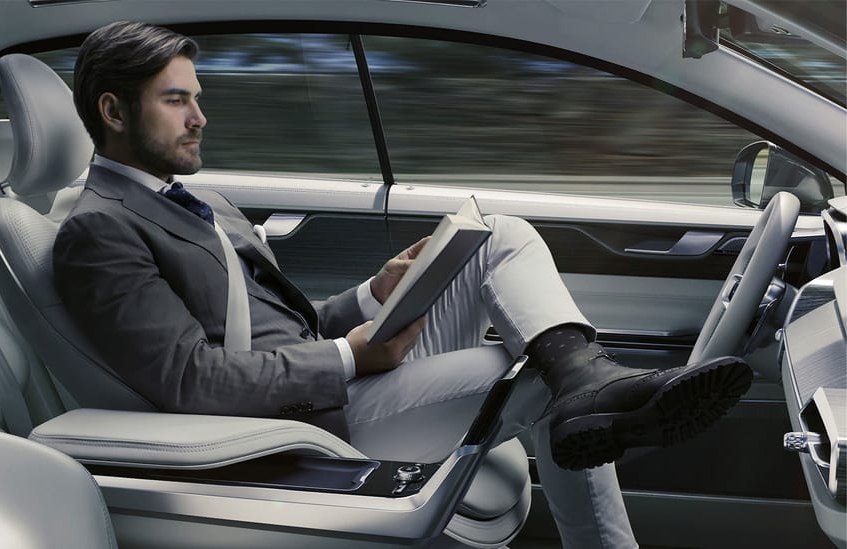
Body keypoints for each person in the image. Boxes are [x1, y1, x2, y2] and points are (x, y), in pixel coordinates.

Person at [54, 21, 752, 548]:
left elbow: (279, 324)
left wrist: (373, 296)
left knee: (501, 234)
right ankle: (586, 397)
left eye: (196, 99)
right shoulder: (99, 230)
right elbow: (190, 380)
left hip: (323, 380)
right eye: (177, 101)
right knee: (522, 375)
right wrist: (355, 357)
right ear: (114, 113)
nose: (200, 117)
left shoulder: (196, 199)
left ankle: (587, 379)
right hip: (298, 420)